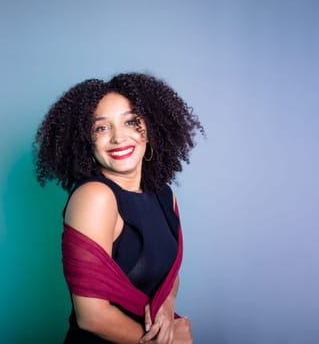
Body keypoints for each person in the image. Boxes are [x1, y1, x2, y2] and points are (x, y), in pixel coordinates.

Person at [34, 72, 204, 343]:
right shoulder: (95, 196)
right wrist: (168, 342)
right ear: (86, 142)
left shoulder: (164, 194)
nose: (118, 137)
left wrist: (166, 307)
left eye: (131, 121)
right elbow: (91, 316)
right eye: (101, 128)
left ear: (151, 127)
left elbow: (169, 274)